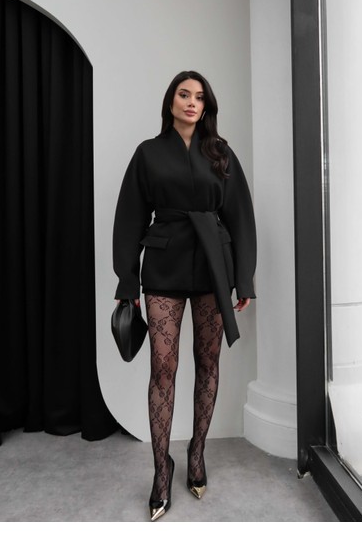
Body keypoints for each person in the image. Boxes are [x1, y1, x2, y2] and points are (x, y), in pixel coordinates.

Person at [113, 70, 256, 521]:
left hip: (214, 265)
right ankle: (162, 469)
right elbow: (129, 218)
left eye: (199, 97)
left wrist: (245, 279)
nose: (192, 102)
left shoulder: (221, 152)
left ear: (206, 106)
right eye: (184, 94)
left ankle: (196, 452)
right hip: (163, 264)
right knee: (163, 367)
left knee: (208, 362)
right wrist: (126, 282)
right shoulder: (148, 153)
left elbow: (240, 215)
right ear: (171, 101)